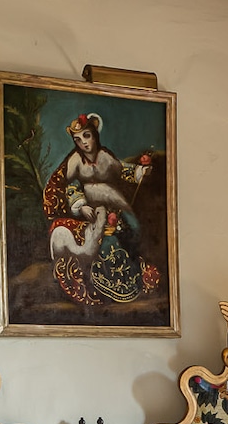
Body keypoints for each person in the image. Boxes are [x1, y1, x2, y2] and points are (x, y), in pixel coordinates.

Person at [43, 113, 159, 306]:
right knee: (103, 239)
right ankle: (103, 283)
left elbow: (123, 170)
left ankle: (134, 278)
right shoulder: (75, 160)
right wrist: (81, 205)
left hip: (114, 203)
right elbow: (69, 185)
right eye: (77, 139)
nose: (83, 143)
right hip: (92, 208)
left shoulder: (105, 156)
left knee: (132, 228)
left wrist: (140, 171)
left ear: (95, 135)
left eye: (86, 136)